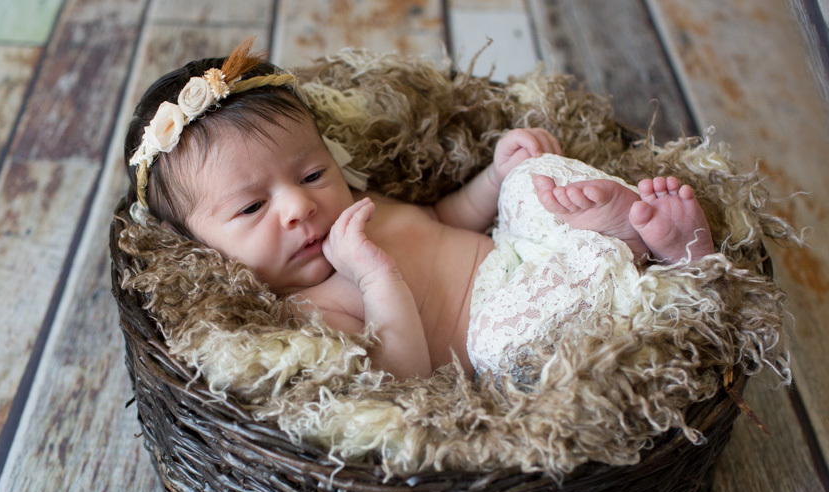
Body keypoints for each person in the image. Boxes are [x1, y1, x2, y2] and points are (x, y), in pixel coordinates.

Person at [125, 41, 714, 381]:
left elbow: (450, 218)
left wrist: (497, 175)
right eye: (252, 206)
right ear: (202, 250)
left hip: (515, 252)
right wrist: (373, 274)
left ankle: (633, 232)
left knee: (535, 182)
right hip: (500, 328)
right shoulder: (309, 311)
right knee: (512, 342)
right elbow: (404, 375)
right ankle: (679, 261)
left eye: (312, 174)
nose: (301, 206)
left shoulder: (362, 209)